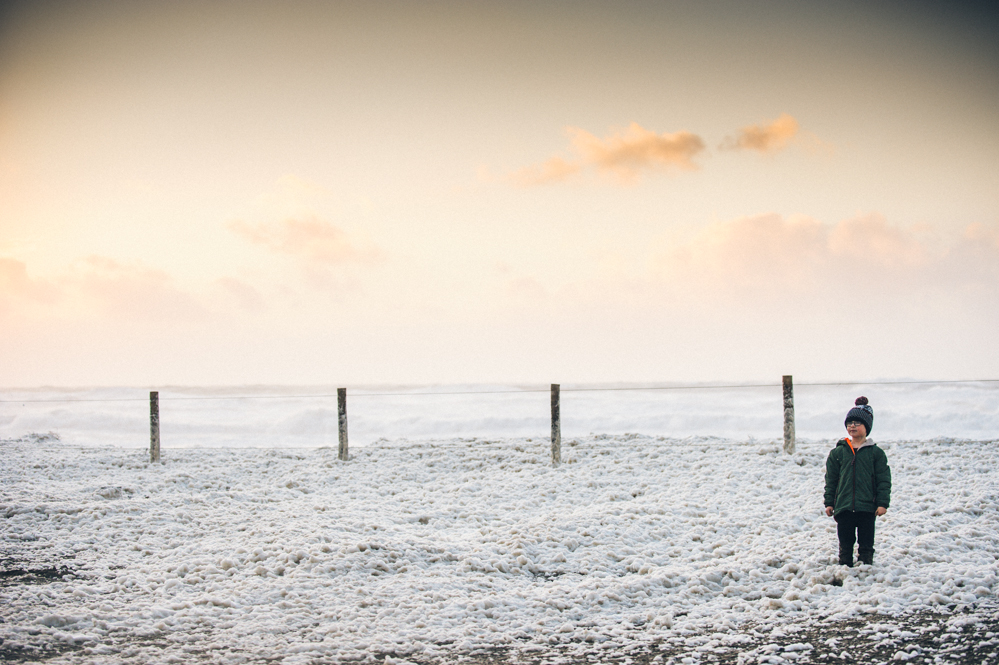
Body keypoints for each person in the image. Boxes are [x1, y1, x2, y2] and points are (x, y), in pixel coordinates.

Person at [823, 396, 892, 567]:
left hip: (867, 506)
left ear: (867, 427)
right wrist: (829, 502)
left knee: (866, 540)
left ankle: (866, 565)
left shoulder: (875, 453)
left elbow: (884, 480)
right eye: (849, 423)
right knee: (845, 540)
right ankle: (845, 565)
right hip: (844, 506)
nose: (852, 426)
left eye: (857, 423)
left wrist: (882, 503)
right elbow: (831, 479)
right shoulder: (838, 453)